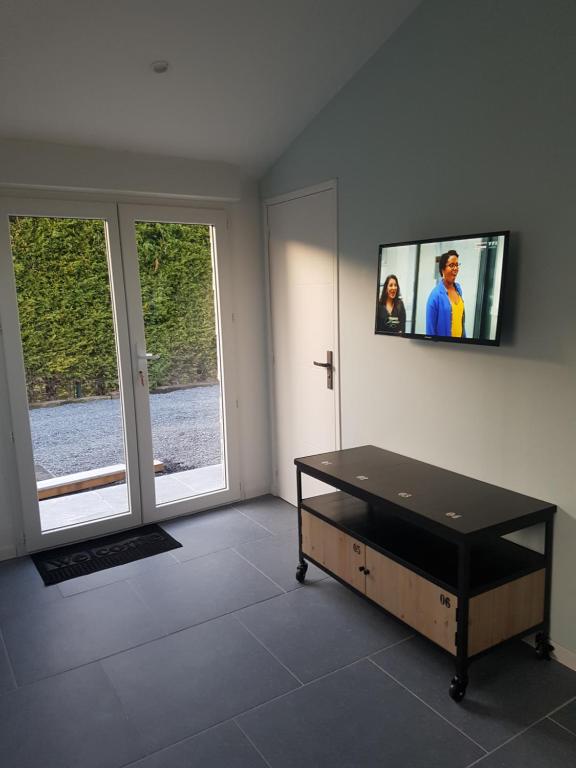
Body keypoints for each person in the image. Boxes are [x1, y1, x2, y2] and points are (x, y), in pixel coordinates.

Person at [425, 250, 466, 337]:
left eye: (457, 265)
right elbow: (430, 332)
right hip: (444, 347)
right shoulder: (435, 296)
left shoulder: (458, 289)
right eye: (451, 265)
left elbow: (460, 322)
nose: (455, 268)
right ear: (442, 269)